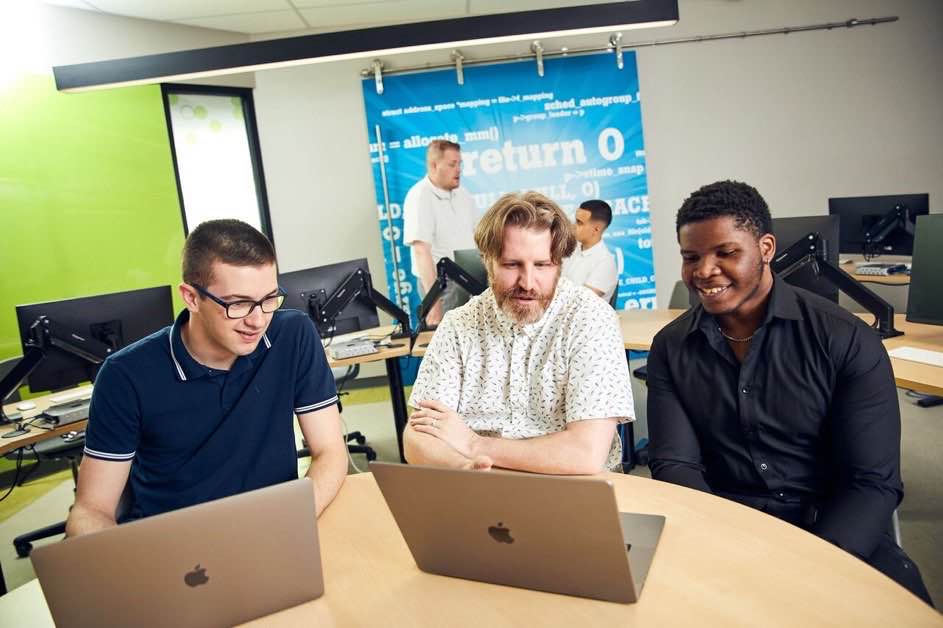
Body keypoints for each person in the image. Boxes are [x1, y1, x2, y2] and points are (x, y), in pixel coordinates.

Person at [646, 180, 933, 605]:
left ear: (765, 248)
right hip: (724, 524)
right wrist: (719, 542)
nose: (704, 271)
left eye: (725, 253)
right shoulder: (671, 347)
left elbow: (872, 482)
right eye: (691, 257)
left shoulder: (845, 340)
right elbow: (675, 463)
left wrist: (811, 569)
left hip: (834, 530)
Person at [67, 219, 348, 537]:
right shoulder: (124, 376)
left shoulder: (293, 334)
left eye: (269, 299)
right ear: (191, 298)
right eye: (238, 304)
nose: (257, 321)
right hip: (176, 546)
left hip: (272, 527)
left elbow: (330, 451)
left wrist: (291, 523)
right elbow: (92, 508)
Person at [404, 191, 634, 474]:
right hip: (478, 485)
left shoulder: (592, 319)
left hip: (573, 492)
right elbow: (417, 438)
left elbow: (585, 454)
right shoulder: (457, 326)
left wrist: (474, 445)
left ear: (559, 264)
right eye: (511, 264)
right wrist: (466, 466)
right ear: (487, 261)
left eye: (542, 265)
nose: (528, 282)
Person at [402, 139, 479, 326]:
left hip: (470, 282)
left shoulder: (464, 194)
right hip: (444, 287)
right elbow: (421, 252)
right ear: (434, 165)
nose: (458, 170)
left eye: (459, 164)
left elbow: (479, 236)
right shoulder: (420, 196)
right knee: (451, 347)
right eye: (452, 164)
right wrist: (433, 305)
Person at [562, 199, 619, 302]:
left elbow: (581, 302)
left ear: (596, 230)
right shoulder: (571, 247)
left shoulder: (606, 263)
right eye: (576, 220)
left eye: (579, 223)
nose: (574, 226)